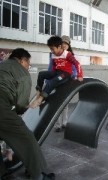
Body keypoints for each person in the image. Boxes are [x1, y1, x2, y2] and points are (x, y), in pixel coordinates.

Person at [0, 48, 55, 180]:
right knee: (26, 139)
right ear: (22, 60)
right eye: (28, 63)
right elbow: (20, 103)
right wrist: (23, 109)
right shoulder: (22, 73)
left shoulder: (2, 65)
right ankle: (39, 174)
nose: (28, 66)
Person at [30, 36, 83, 108]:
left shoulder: (67, 54)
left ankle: (40, 99)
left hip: (66, 74)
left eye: (52, 49)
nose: (52, 51)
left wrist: (79, 75)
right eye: (50, 49)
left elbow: (77, 64)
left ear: (59, 46)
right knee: (41, 74)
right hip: (58, 72)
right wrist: (50, 75)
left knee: (52, 82)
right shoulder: (53, 55)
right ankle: (38, 93)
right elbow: (53, 67)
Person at [48, 35, 75, 132]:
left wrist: (73, 76)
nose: (64, 45)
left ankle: (65, 122)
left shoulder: (70, 55)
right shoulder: (54, 54)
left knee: (65, 104)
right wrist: (48, 80)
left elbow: (74, 69)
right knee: (57, 103)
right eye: (62, 43)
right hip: (57, 81)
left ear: (68, 45)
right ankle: (57, 125)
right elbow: (50, 68)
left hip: (67, 82)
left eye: (66, 44)